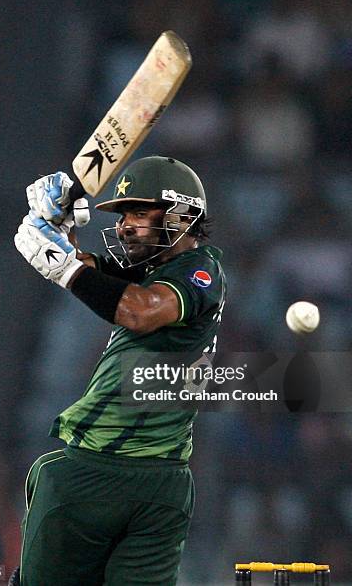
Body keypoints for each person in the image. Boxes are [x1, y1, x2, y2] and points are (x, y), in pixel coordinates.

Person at [12, 156, 226, 585]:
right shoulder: (151, 274)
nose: (126, 225)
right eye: (124, 215)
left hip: (141, 480)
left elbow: (138, 311)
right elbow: (87, 273)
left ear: (181, 214)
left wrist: (65, 264)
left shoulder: (198, 271)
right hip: (112, 474)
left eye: (140, 213)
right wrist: (55, 224)